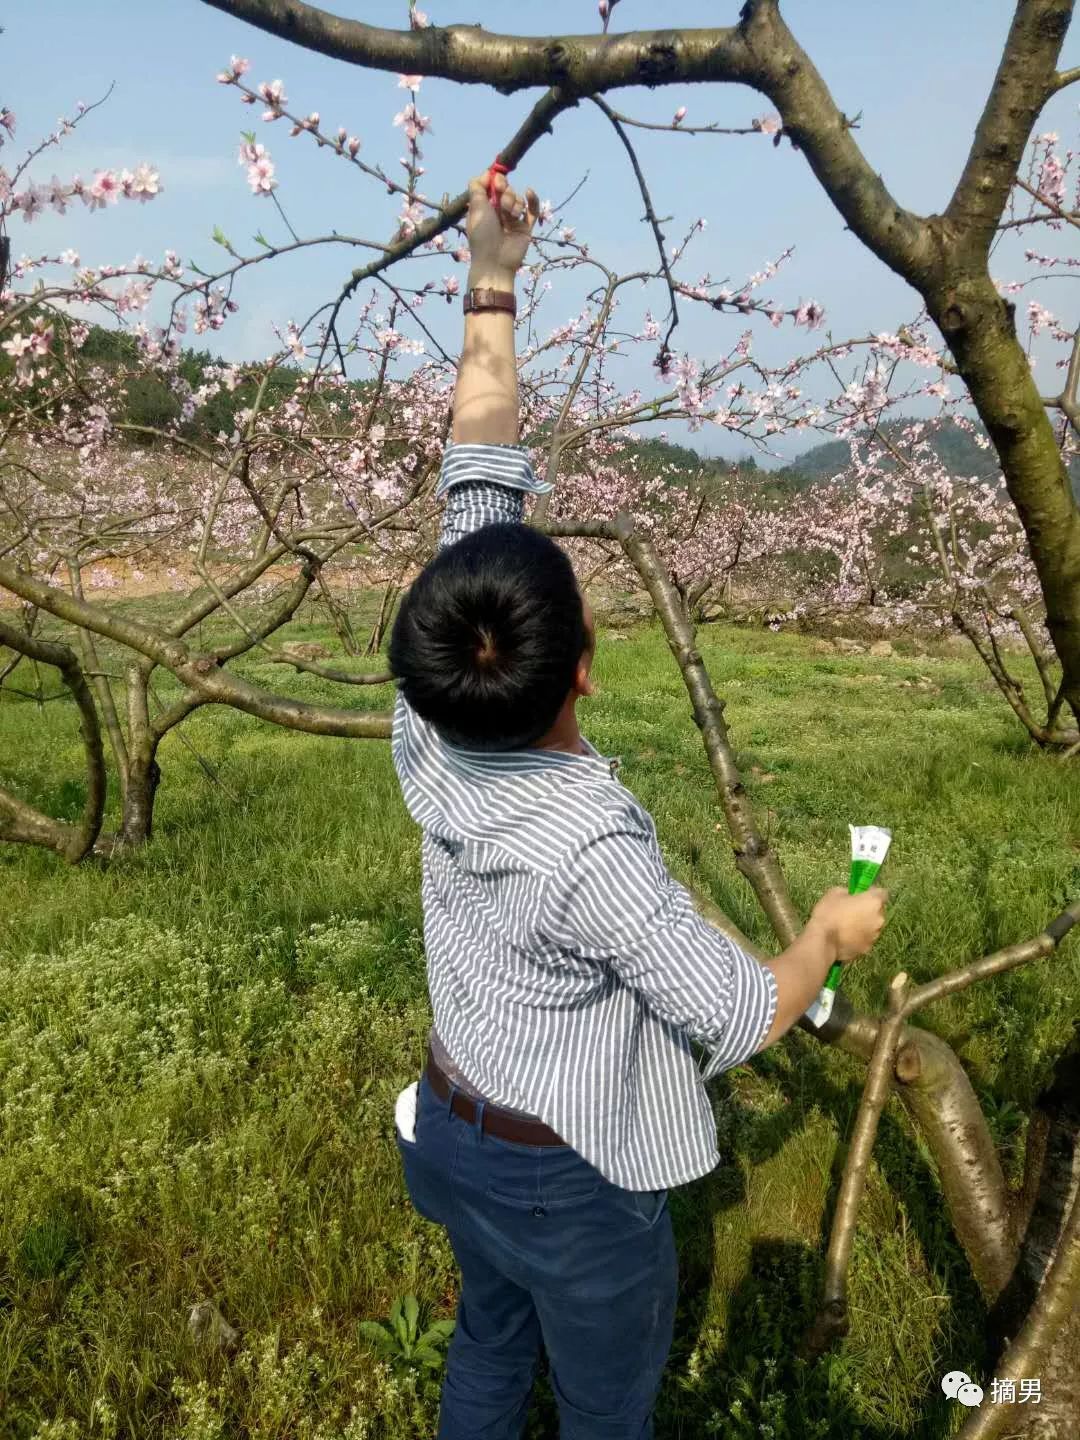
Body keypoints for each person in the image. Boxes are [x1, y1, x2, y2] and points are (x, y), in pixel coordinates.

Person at [386, 167, 888, 1440]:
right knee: (609, 1406)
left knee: (489, 1348)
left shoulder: (425, 723)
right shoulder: (586, 843)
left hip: (451, 1122)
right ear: (588, 669)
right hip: (562, 1179)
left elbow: (479, 461)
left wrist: (490, 277)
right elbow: (730, 1013)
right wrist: (825, 937)